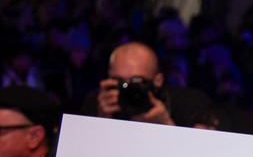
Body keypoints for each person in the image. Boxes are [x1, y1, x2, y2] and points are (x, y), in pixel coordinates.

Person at [81, 41, 213, 128]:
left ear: (158, 80)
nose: (128, 89)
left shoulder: (188, 103)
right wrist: (101, 123)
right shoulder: (98, 102)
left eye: (137, 82)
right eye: (119, 82)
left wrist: (167, 127)